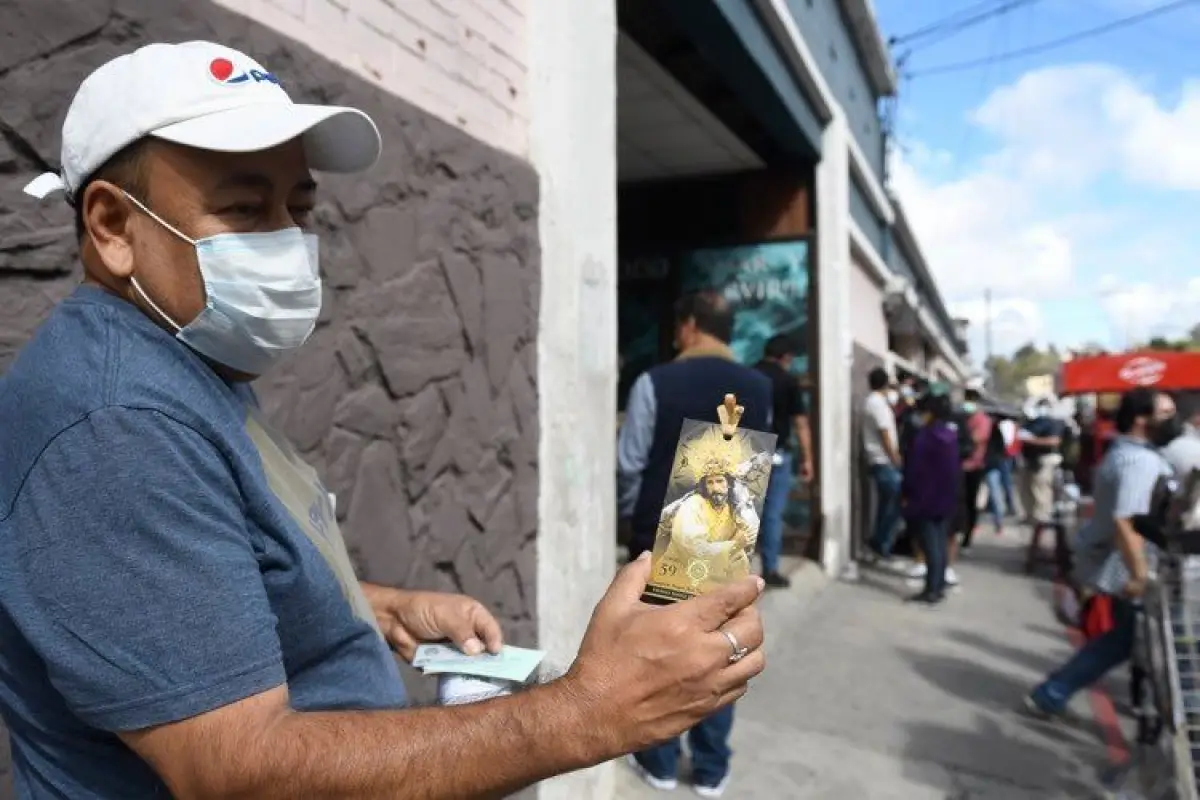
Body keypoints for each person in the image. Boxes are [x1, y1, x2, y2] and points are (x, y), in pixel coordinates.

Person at [0, 43, 767, 799]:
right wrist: (586, 713)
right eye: (244, 208)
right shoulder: (116, 426)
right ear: (110, 225)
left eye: (299, 208)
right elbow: (236, 770)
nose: (288, 241)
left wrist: (372, 607)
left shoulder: (181, 361)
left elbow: (202, 578)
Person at [617, 290, 772, 796]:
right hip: (728, 540)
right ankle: (710, 769)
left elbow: (629, 465)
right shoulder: (760, 388)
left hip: (663, 537)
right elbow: (754, 470)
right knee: (719, 652)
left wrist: (632, 522)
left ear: (688, 325)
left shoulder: (655, 382)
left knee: (657, 653)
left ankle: (660, 762)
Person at [1025, 388, 1175, 718]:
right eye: (1165, 413)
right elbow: (1126, 521)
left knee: (1123, 641)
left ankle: (1053, 692)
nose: (1172, 421)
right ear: (1141, 418)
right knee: (1128, 642)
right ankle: (1053, 692)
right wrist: (1139, 575)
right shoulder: (1139, 462)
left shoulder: (1130, 454)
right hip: (1130, 565)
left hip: (1125, 562)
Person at [753, 334, 814, 588]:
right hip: (777, 452)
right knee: (772, 515)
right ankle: (770, 569)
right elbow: (800, 423)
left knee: (737, 510)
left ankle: (724, 572)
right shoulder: (788, 382)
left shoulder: (748, 375)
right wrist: (808, 459)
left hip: (746, 447)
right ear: (786, 357)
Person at [901, 390, 961, 606]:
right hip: (946, 497)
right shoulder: (951, 436)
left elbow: (914, 470)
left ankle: (931, 589)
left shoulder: (924, 438)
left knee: (930, 545)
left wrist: (907, 493)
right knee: (940, 543)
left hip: (925, 497)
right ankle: (939, 585)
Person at [863, 367, 903, 563]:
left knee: (886, 505)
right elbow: (885, 434)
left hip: (880, 460)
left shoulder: (875, 402)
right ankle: (881, 543)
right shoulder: (877, 404)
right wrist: (895, 458)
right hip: (884, 461)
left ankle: (880, 544)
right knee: (893, 506)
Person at [959, 389, 993, 549]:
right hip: (959, 466)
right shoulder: (962, 418)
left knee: (970, 502)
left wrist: (963, 435)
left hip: (974, 466)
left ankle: (967, 537)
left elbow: (978, 438)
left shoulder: (983, 420)